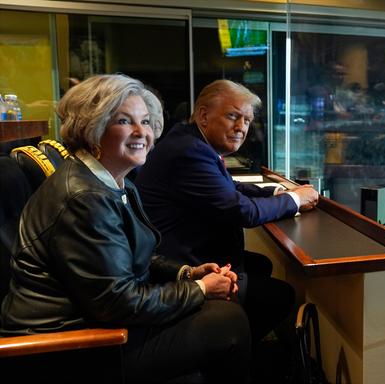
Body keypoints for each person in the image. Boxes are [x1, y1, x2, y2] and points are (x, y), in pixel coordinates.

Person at [0, 74, 250, 384]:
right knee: (228, 322)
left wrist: (187, 273)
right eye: (123, 121)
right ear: (92, 128)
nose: (141, 132)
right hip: (67, 348)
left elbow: (132, 254)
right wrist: (201, 289)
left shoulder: (117, 182)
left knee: (222, 310)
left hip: (96, 321)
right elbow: (119, 302)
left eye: (145, 121)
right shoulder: (85, 197)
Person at [135, 79, 319, 344]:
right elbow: (242, 212)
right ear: (203, 115)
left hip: (186, 248)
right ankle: (227, 348)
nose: (241, 128)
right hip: (181, 263)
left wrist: (277, 192)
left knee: (262, 265)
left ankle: (234, 335)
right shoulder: (189, 151)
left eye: (247, 120)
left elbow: (228, 186)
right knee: (280, 296)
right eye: (233, 116)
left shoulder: (189, 141)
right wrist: (294, 199)